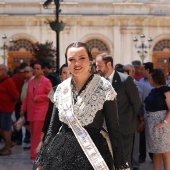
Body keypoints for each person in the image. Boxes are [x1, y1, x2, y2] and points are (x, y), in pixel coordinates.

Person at [35, 42, 129, 170]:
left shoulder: (104, 87)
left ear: (90, 60)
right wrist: (41, 161)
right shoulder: (61, 89)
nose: (77, 63)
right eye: (71, 59)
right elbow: (52, 129)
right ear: (67, 62)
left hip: (93, 156)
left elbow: (114, 129)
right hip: (60, 156)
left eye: (82, 58)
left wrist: (120, 164)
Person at [96, 54, 141, 169]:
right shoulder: (98, 82)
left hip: (124, 129)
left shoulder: (125, 80)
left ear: (109, 64)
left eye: (99, 66)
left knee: (124, 162)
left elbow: (136, 103)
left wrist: (128, 120)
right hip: (105, 131)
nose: (97, 69)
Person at [20, 61, 52, 162]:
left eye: (38, 68)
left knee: (37, 135)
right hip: (31, 112)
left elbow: (50, 95)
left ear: (42, 70)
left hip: (41, 112)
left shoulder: (46, 81)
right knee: (34, 135)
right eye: (34, 68)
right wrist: (23, 108)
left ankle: (35, 156)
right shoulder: (30, 82)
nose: (35, 70)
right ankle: (37, 155)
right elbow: (27, 98)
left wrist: (38, 97)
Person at [144, 69, 170, 170]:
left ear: (156, 79)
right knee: (155, 153)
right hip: (152, 126)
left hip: (163, 126)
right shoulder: (153, 91)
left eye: (150, 78)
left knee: (165, 153)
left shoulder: (166, 90)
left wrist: (165, 122)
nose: (149, 80)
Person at [124, 64, 148, 170]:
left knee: (136, 144)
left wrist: (142, 120)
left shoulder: (141, 86)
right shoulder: (119, 85)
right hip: (123, 119)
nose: (127, 73)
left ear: (133, 72)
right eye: (125, 71)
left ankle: (135, 164)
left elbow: (143, 104)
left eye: (129, 71)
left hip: (136, 119)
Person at [0, 64, 19, 156]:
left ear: (5, 71)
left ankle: (8, 148)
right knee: (2, 128)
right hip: (1, 108)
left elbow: (15, 96)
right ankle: (9, 143)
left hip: (6, 109)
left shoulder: (9, 81)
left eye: (0, 70)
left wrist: (10, 104)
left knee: (6, 129)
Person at [139, 62, 154, 163]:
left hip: (152, 113)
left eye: (143, 69)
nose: (141, 71)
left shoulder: (153, 81)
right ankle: (142, 156)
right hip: (143, 112)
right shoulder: (140, 80)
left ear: (148, 70)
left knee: (152, 135)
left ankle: (153, 156)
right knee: (142, 136)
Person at [12, 62, 28, 145]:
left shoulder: (14, 77)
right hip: (26, 102)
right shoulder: (26, 77)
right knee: (27, 120)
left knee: (18, 120)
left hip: (17, 102)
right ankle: (27, 137)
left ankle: (18, 138)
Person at [20, 66, 34, 149]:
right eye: (24, 72)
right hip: (25, 106)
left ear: (32, 72)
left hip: (31, 106)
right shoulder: (25, 81)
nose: (25, 73)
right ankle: (29, 140)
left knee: (29, 124)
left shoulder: (33, 81)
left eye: (27, 72)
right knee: (25, 123)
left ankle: (31, 141)